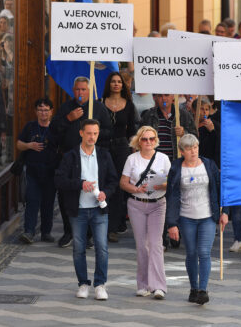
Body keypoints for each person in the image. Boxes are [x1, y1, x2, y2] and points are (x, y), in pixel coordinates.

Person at [54, 119, 118, 300]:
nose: (92, 137)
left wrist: (106, 192)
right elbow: (59, 180)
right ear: (81, 133)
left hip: (99, 209)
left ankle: (100, 284)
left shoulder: (104, 155)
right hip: (79, 209)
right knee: (79, 248)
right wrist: (80, 184)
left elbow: (114, 180)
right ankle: (83, 283)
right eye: (89, 133)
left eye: (95, 133)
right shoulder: (71, 156)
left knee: (102, 247)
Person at [166, 134, 228, 305]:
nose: (193, 151)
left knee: (204, 252)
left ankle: (203, 290)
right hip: (186, 217)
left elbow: (220, 188)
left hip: (207, 216)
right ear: (182, 151)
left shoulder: (209, 165)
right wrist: (171, 223)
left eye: (195, 147)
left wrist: (225, 212)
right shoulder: (176, 168)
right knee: (191, 254)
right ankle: (193, 288)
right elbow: (171, 196)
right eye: (188, 148)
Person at [52, 77, 114, 248]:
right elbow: (54, 130)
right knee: (67, 195)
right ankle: (68, 231)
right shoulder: (66, 107)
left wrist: (94, 134)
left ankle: (87, 235)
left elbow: (109, 131)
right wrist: (68, 119)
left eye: (84, 90)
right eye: (77, 90)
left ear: (90, 91)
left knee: (91, 194)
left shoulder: (98, 107)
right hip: (70, 157)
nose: (80, 93)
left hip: (91, 157)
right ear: (73, 90)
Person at [120, 126, 171, 299]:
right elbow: (123, 183)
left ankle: (158, 286)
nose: (148, 142)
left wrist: (161, 185)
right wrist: (136, 188)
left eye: (151, 139)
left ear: (156, 140)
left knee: (156, 244)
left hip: (158, 204)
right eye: (144, 139)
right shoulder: (131, 159)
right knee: (142, 245)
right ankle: (143, 284)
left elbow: (172, 181)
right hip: (137, 204)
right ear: (138, 141)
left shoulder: (163, 158)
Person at [17, 98, 59, 244]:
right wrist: (29, 145)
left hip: (50, 171)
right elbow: (19, 144)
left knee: (48, 203)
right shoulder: (30, 127)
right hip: (33, 170)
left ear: (51, 112)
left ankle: (46, 232)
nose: (43, 113)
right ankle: (29, 231)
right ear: (36, 112)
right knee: (32, 201)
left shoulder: (55, 128)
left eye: (46, 110)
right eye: (40, 110)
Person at [102, 71, 137, 242]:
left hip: (122, 148)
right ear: (109, 84)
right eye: (113, 81)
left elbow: (132, 131)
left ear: (123, 85)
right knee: (103, 183)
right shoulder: (100, 103)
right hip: (103, 147)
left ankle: (113, 227)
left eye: (119, 82)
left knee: (118, 186)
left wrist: (133, 150)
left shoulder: (129, 105)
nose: (116, 84)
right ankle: (100, 223)